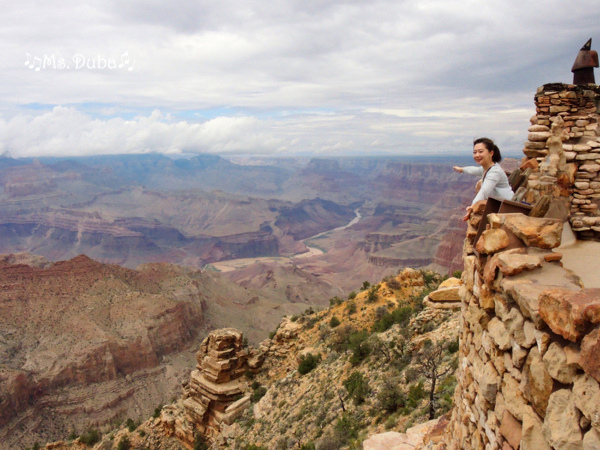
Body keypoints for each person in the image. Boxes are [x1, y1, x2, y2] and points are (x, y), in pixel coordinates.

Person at [453, 137, 514, 221]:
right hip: (499, 205)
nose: (477, 155)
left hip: (508, 208)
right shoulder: (487, 168)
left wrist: (472, 206)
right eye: (475, 152)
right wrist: (462, 169)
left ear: (491, 153)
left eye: (480, 152)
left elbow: (484, 191)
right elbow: (476, 170)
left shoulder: (494, 172)